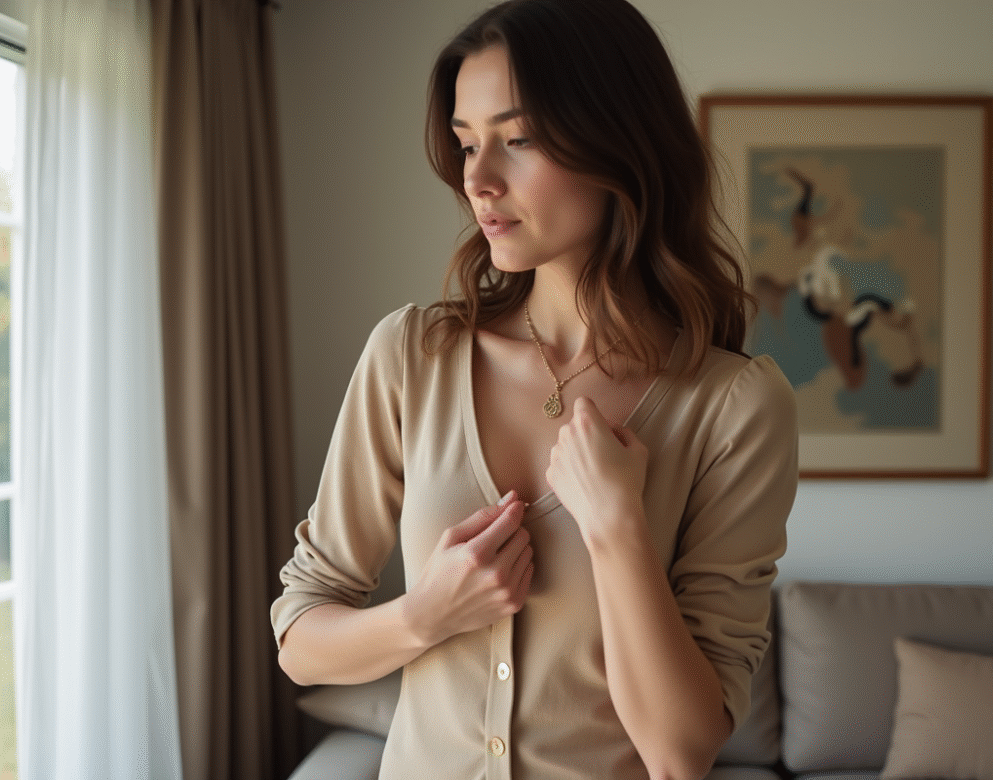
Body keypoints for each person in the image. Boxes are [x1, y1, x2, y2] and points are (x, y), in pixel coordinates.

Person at [271, 1, 798, 778]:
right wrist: (425, 614)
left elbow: (682, 752)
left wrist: (618, 527)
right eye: (465, 143)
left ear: (618, 139)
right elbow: (301, 643)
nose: (477, 179)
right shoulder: (411, 357)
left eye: (517, 140)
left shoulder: (735, 408)